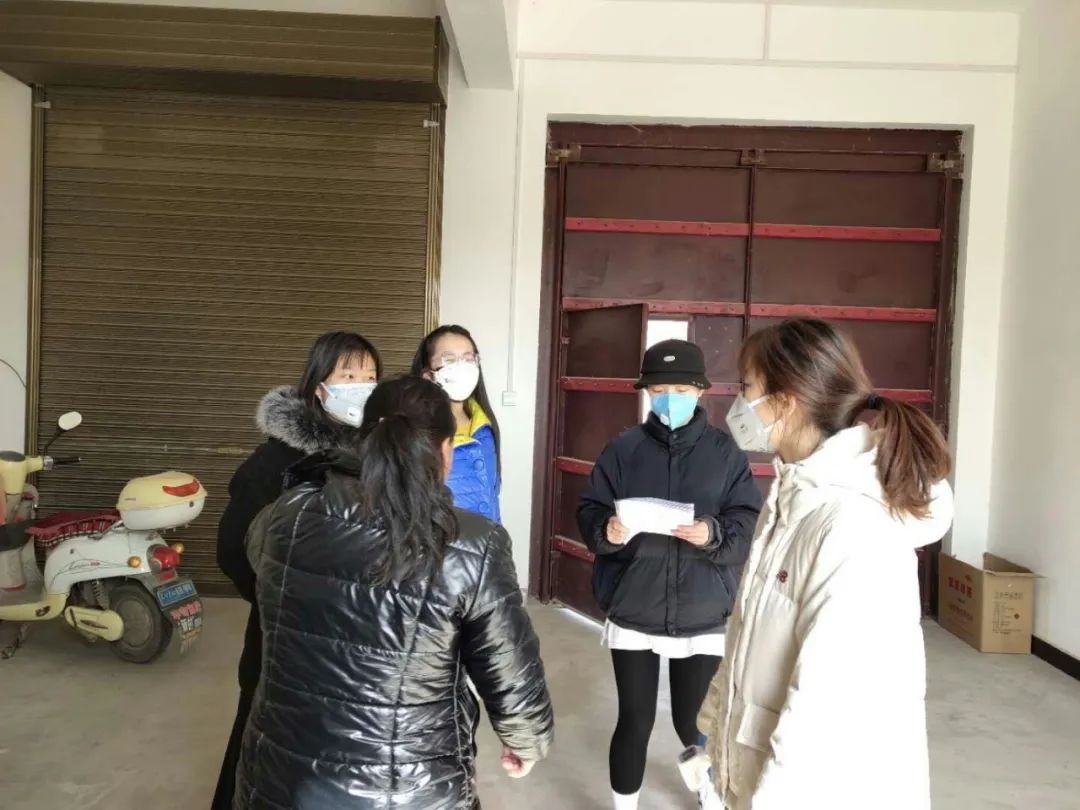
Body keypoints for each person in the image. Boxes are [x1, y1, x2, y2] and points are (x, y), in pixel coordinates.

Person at [234, 376, 554, 809]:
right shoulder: (473, 545)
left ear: (363, 443)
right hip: (409, 788)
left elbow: (256, 561)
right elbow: (507, 663)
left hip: (282, 781)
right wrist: (527, 740)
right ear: (445, 451)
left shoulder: (287, 514)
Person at [697, 319, 954, 810]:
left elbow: (826, 707)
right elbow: (752, 635)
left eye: (746, 387)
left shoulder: (850, 525)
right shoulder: (794, 496)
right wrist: (718, 725)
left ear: (786, 401)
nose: (737, 403)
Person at [577, 339, 762, 810]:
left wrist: (713, 533)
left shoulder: (725, 454)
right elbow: (590, 508)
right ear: (646, 393)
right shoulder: (623, 450)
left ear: (700, 391)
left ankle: (710, 796)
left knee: (694, 722)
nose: (670, 399)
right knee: (635, 719)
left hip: (703, 607)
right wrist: (606, 529)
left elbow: (747, 522)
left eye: (680, 390)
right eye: (660, 390)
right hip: (634, 603)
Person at [212, 331, 382, 810]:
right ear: (318, 385)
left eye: (370, 377)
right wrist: (284, 599)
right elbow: (233, 551)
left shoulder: (376, 457)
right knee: (261, 750)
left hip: (350, 641)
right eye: (348, 375)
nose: (361, 387)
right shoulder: (275, 462)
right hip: (282, 637)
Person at [411, 325, 501, 522]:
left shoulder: (485, 424)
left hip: (486, 539)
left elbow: (493, 497)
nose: (462, 367)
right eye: (449, 360)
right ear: (428, 376)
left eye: (468, 359)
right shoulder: (414, 431)